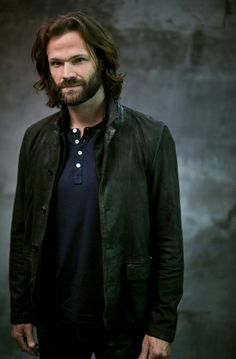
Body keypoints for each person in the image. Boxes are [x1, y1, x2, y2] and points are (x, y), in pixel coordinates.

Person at [9, 11, 184, 359]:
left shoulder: (151, 137)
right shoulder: (35, 139)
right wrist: (21, 310)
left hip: (124, 323)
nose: (66, 73)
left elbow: (168, 240)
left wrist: (161, 326)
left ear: (101, 61)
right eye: (56, 63)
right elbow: (22, 233)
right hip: (55, 319)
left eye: (78, 60)